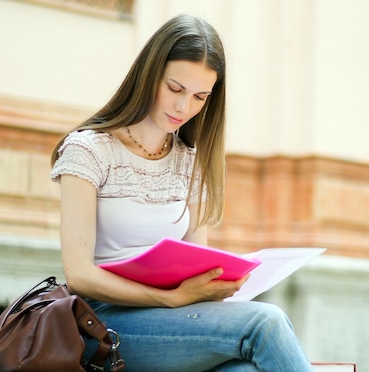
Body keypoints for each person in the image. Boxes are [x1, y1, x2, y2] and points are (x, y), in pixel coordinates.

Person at [50, 14, 312, 371]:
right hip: (102, 324)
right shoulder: (89, 151)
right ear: (149, 75)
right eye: (175, 89)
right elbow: (79, 274)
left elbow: (195, 262)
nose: (184, 107)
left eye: (200, 96)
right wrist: (170, 298)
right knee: (265, 322)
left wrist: (209, 287)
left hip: (173, 320)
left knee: (246, 369)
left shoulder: (191, 163)